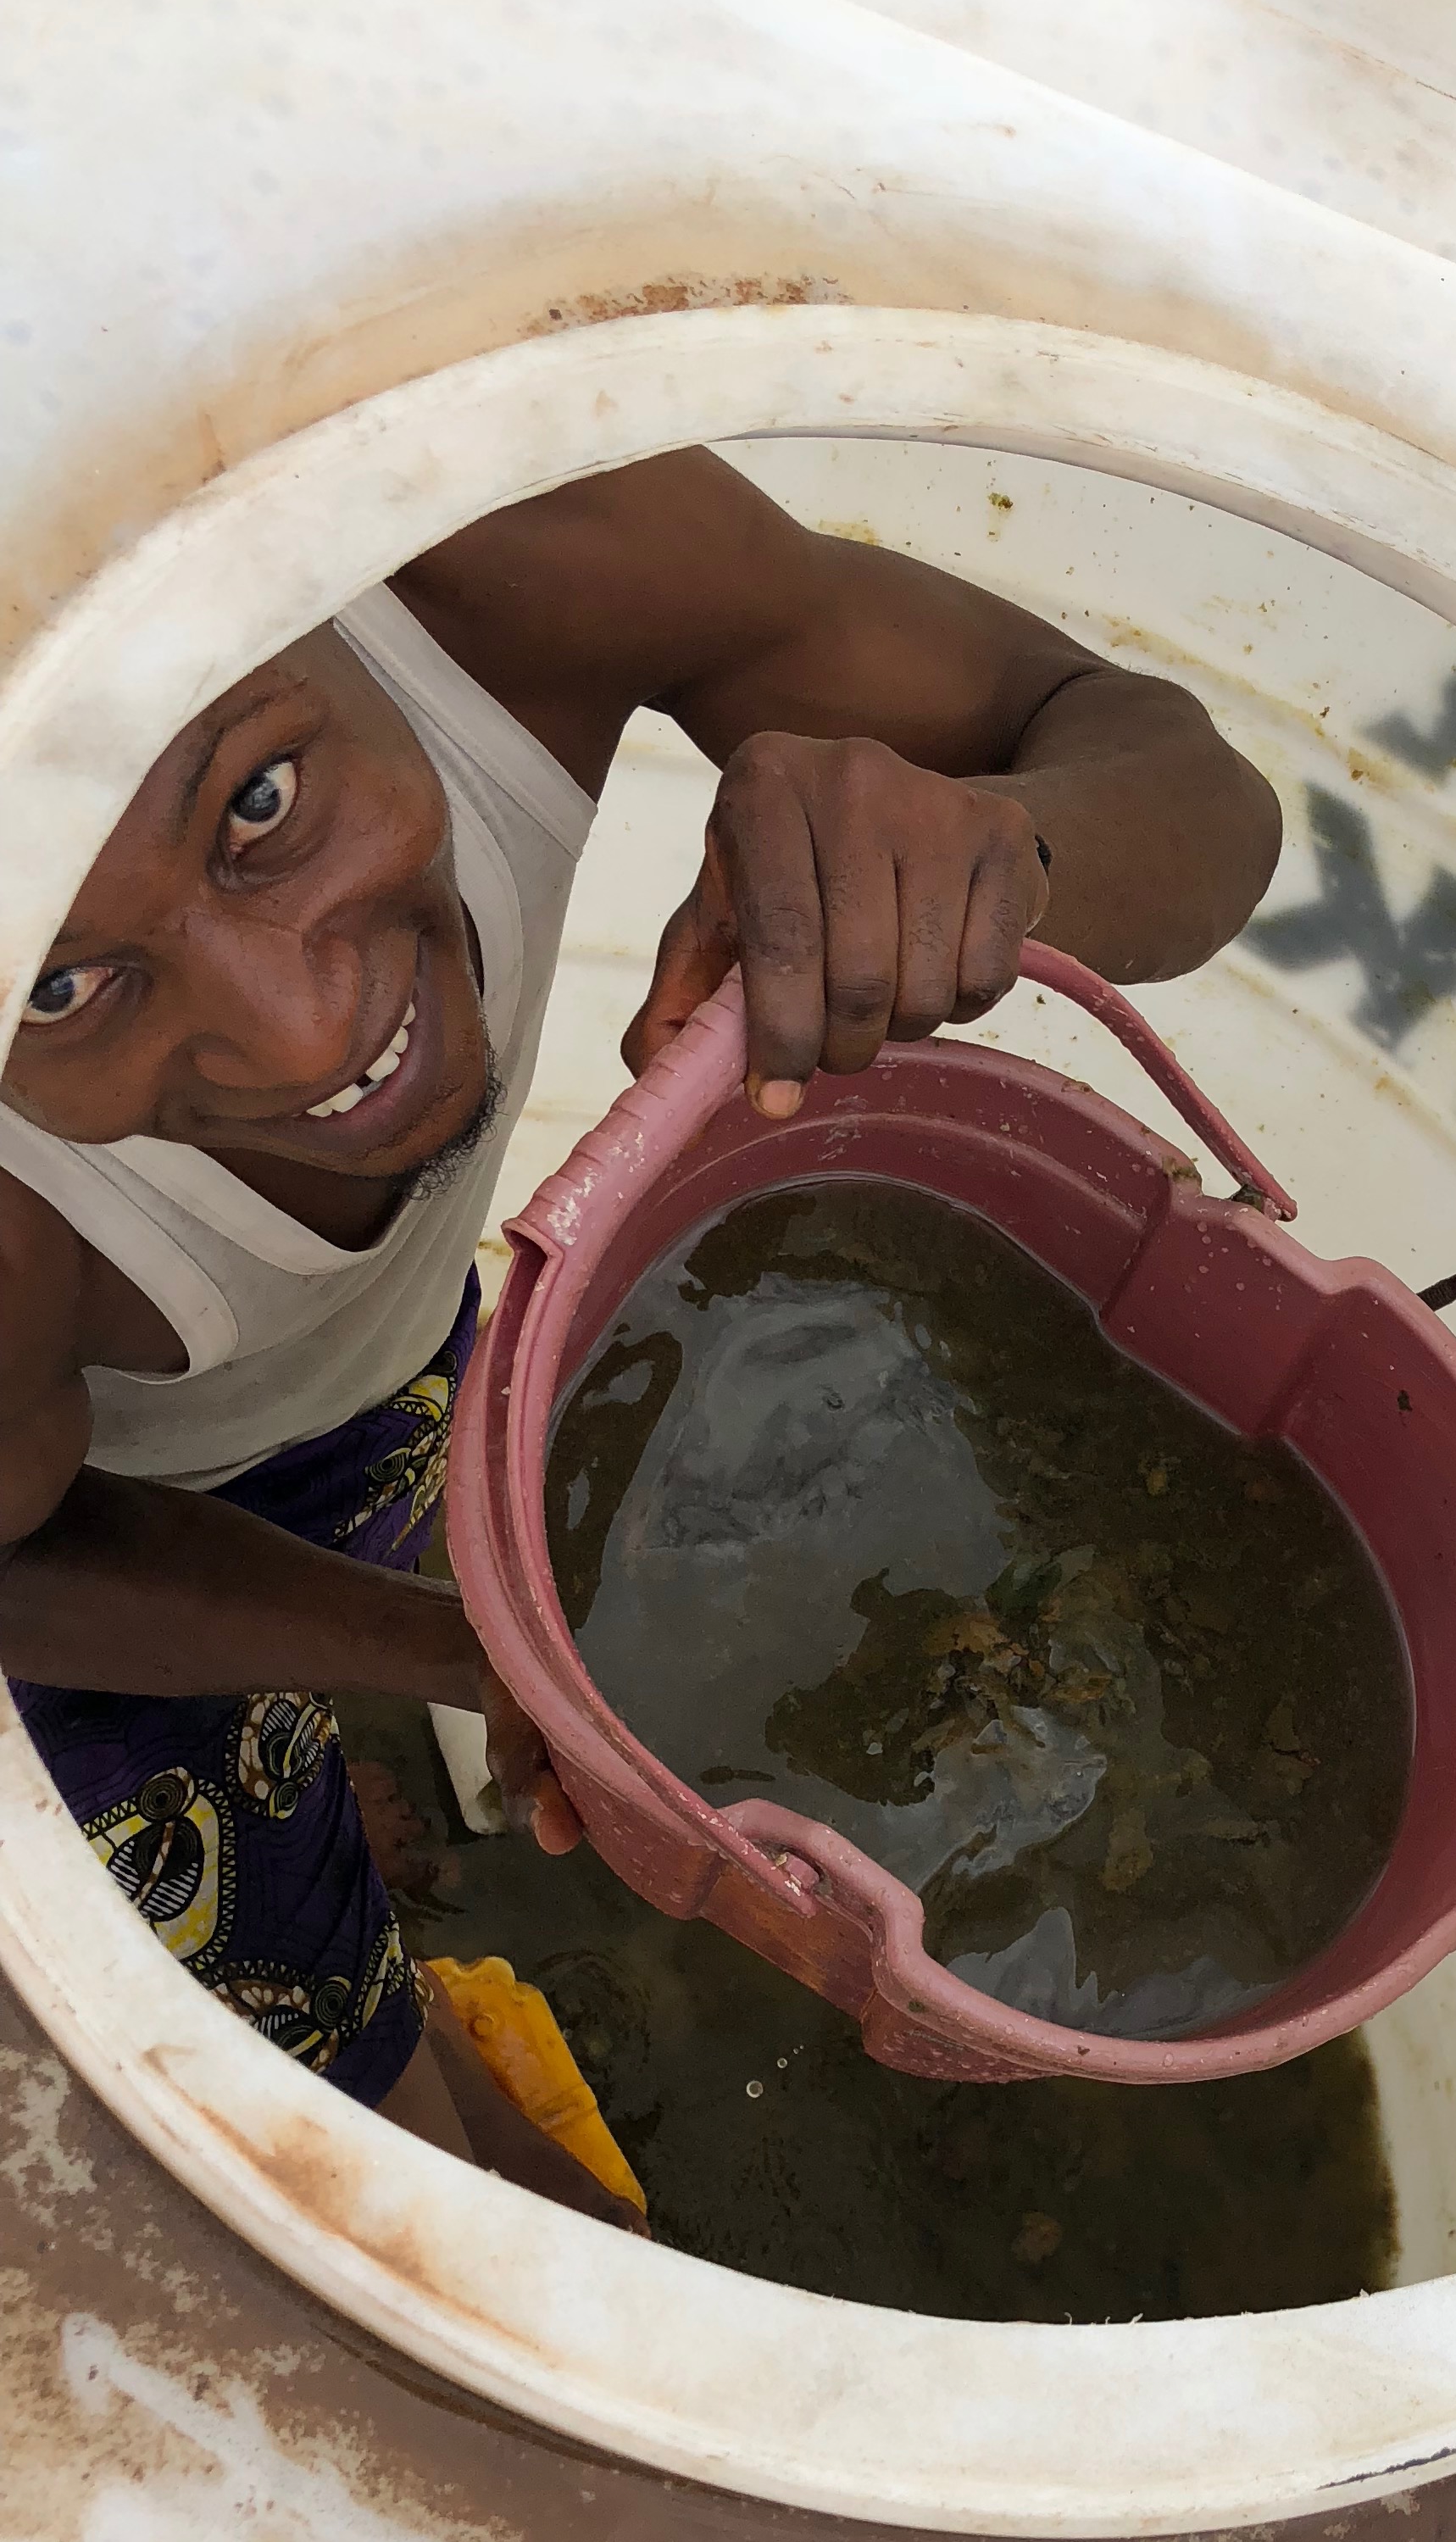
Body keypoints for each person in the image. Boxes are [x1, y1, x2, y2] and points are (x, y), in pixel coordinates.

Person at [0, 448, 1282, 2215]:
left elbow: (1193, 786)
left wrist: (995, 863)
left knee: (403, 1627)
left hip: (379, 1363)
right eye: (55, 985)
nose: (302, 1042)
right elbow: (25, 1567)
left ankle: (392, 1879)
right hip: (83, 1533)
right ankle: (401, 2042)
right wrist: (461, 1652)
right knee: (349, 2134)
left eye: (263, 801)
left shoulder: (510, 554)